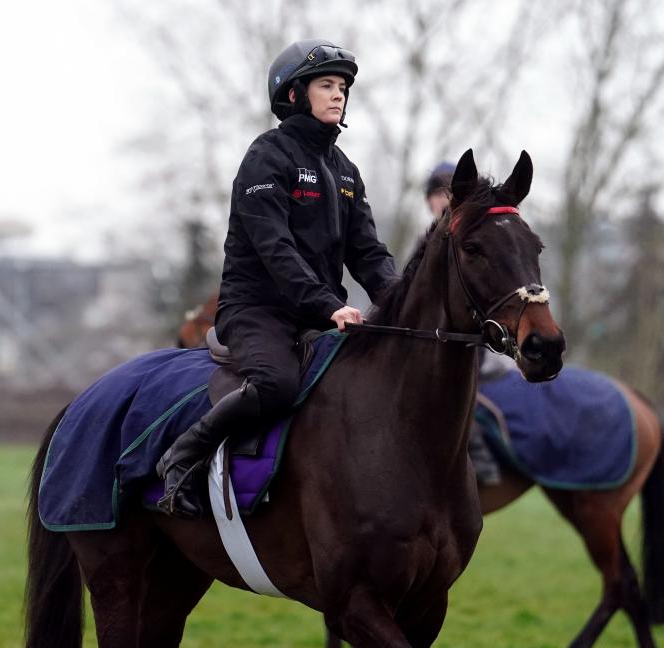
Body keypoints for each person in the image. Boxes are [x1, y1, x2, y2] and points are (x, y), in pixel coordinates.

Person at [156, 40, 398, 518]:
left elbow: (368, 252)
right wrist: (329, 305)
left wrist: (399, 302)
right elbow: (275, 250)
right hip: (255, 310)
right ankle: (180, 458)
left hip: (315, 312)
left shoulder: (344, 170)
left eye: (343, 87)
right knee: (276, 383)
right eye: (326, 85)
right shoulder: (266, 158)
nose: (339, 95)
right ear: (293, 94)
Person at [424, 160, 504, 486]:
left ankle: (480, 460)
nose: (443, 200)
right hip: (430, 341)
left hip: (469, 339)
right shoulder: (427, 243)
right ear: (429, 201)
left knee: (450, 395)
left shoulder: (471, 244)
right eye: (436, 194)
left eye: (448, 194)